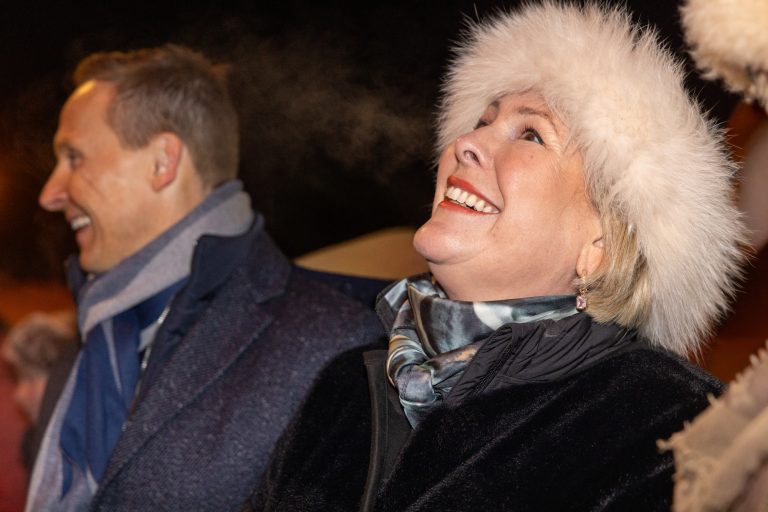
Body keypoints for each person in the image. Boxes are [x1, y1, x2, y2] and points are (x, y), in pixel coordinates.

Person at [247, 3, 747, 511]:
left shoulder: (673, 428)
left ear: (600, 246)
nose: (466, 142)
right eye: (481, 121)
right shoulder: (348, 383)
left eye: (531, 134)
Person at [27, 45, 382, 511]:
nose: (49, 194)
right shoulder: (89, 342)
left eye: (73, 157)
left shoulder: (335, 345)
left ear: (163, 162)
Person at [2, 311, 77, 468]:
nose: (19, 395)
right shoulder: (32, 441)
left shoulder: (78, 441)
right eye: (18, 378)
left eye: (30, 378)